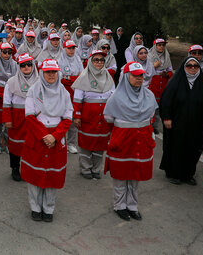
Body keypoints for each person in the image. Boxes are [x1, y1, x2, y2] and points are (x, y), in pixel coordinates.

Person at [104, 61, 157, 221]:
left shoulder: (149, 95)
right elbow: (109, 118)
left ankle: (132, 206)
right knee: (121, 175)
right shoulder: (115, 97)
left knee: (135, 175)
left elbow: (152, 116)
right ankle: (120, 206)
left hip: (142, 140)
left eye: (141, 75)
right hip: (123, 140)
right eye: (135, 75)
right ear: (126, 77)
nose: (139, 78)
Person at [21, 59, 73, 222]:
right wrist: (45, 135)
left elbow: (68, 116)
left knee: (52, 175)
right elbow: (29, 116)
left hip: (56, 137)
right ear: (42, 73)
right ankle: (35, 207)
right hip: (38, 136)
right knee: (35, 175)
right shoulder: (34, 90)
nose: (51, 75)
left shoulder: (63, 92)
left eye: (54, 72)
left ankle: (48, 208)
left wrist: (55, 136)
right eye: (48, 72)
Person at [159, 57, 203, 185]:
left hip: (197, 124)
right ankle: (174, 173)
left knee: (193, 148)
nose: (193, 68)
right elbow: (166, 101)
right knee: (176, 148)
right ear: (184, 67)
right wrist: (166, 118)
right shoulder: (175, 83)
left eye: (196, 66)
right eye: (189, 65)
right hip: (177, 123)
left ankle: (188, 174)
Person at [72, 50, 115, 180]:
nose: (99, 62)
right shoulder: (84, 77)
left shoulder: (109, 77)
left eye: (102, 60)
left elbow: (113, 97)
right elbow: (78, 99)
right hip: (88, 118)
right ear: (91, 61)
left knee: (101, 144)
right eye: (96, 60)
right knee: (86, 144)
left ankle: (96, 169)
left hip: (104, 118)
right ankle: (85, 168)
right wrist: (77, 116)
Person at [3, 53, 38, 181]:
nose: (27, 67)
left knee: (32, 145)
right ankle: (15, 168)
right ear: (19, 67)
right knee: (15, 144)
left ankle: (29, 168)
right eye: (23, 65)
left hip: (34, 116)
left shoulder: (40, 81)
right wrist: (7, 119)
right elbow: (6, 101)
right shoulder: (11, 82)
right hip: (17, 116)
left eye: (29, 64)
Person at [57, 39, 83, 154]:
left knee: (72, 118)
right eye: (69, 48)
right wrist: (72, 78)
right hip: (63, 92)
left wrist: (69, 78)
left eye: (73, 48)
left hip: (75, 92)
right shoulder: (59, 60)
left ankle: (71, 143)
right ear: (64, 48)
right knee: (61, 117)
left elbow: (81, 76)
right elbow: (60, 78)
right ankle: (60, 140)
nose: (72, 50)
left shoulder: (77, 59)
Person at [148, 38, 173, 103]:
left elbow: (170, 70)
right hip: (152, 84)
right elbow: (145, 71)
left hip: (164, 83)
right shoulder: (149, 56)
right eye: (159, 45)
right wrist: (154, 66)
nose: (162, 47)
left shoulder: (166, 56)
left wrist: (167, 74)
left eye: (163, 45)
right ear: (154, 46)